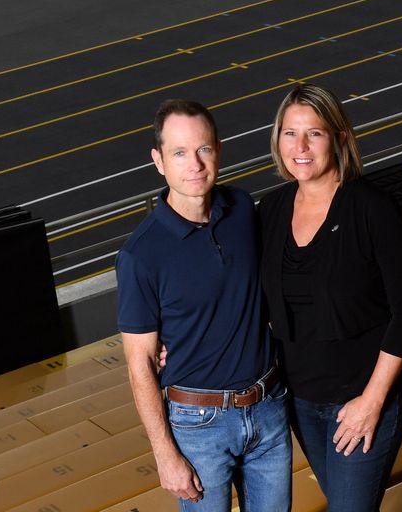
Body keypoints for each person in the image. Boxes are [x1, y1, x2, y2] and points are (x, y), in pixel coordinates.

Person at [116, 99, 291, 512]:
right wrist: (165, 454)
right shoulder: (140, 255)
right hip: (199, 427)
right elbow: (140, 362)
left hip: (268, 409)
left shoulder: (243, 210)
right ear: (159, 161)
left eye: (203, 149)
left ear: (219, 150)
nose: (194, 164)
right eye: (179, 153)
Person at [259, 84, 402, 512]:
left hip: (362, 395)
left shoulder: (373, 208)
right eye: (289, 133)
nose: (300, 146)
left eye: (314, 133)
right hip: (299, 398)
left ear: (340, 138)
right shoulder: (271, 210)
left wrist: (371, 403)